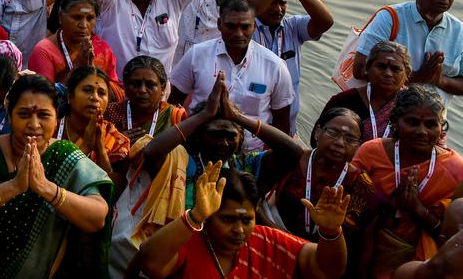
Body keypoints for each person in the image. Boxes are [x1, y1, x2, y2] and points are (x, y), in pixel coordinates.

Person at [0, 74, 114, 279]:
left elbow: (97, 217)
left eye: (43, 115)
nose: (34, 125)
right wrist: (13, 187)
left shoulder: (65, 155)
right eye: (24, 114)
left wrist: (46, 188)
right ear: (9, 115)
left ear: (57, 117)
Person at [132, 164, 350, 279]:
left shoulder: (267, 239)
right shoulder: (188, 238)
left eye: (246, 219)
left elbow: (326, 270)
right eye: (227, 219)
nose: (238, 230)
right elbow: (150, 263)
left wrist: (330, 232)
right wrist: (196, 215)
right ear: (208, 218)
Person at [142, 72, 303, 207]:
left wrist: (238, 117)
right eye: (215, 134)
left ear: (240, 138)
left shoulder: (246, 165)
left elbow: (293, 152)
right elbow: (151, 152)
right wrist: (204, 115)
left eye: (231, 136)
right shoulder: (181, 162)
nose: (224, 143)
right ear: (198, 135)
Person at [351, 84, 463, 278]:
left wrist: (419, 210)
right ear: (395, 122)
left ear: (441, 127)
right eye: (412, 122)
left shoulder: (456, 169)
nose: (422, 131)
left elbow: (452, 240)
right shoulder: (371, 153)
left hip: (422, 265)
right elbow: (350, 211)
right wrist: (387, 206)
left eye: (431, 124)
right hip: (363, 248)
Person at [169, 0, 295, 150]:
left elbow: (281, 121)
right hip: (198, 146)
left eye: (245, 27)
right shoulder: (197, 54)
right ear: (219, 24)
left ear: (254, 26)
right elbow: (174, 103)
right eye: (231, 26)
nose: (238, 34)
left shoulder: (275, 66)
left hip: (249, 153)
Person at [104, 56, 189, 275]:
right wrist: (118, 142)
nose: (142, 90)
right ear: (125, 86)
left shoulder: (176, 117)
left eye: (150, 84)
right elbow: (99, 151)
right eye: (135, 83)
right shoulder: (112, 112)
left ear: (162, 88)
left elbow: (183, 159)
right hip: (120, 188)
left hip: (159, 192)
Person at [353, 0, 463, 99]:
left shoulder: (459, 31)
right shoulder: (390, 18)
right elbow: (359, 69)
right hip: (380, 111)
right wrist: (419, 77)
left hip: (431, 118)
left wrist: (440, 80)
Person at [268, 109, 373, 246]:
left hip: (324, 256)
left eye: (350, 139)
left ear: (358, 145)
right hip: (274, 241)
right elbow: (258, 204)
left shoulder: (361, 184)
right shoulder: (291, 159)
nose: (340, 143)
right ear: (318, 132)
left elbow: (359, 238)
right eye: (333, 133)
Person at [250, 0, 334, 122]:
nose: (278, 9)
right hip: (252, 121)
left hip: (286, 121)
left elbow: (326, 21)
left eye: (283, 3)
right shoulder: (244, 26)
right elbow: (242, 11)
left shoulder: (293, 27)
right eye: (273, 2)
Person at [28, 0, 123, 91]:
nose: (83, 25)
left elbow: (118, 93)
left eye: (90, 18)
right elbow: (44, 98)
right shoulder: (44, 51)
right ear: (60, 17)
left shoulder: (103, 50)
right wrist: (79, 67)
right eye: (77, 17)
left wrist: (96, 77)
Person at [321, 40, 411, 142]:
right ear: (367, 68)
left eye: (396, 69)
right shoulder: (344, 101)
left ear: (407, 74)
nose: (388, 73)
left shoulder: (412, 106)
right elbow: (317, 138)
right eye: (381, 66)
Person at [60, 66, 130, 184]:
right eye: (87, 90)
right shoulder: (51, 129)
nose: (95, 98)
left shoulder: (117, 141)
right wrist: (86, 146)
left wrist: (100, 150)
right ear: (70, 96)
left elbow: (111, 191)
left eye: (101, 93)